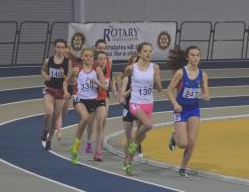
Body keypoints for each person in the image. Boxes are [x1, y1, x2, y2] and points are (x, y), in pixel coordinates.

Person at [117, 42, 162, 175]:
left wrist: (157, 79)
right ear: (139, 53)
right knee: (148, 125)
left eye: (150, 51)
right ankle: (133, 143)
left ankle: (127, 162)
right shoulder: (132, 68)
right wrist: (120, 95)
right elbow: (119, 78)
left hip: (148, 103)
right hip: (135, 103)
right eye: (145, 51)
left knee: (141, 136)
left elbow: (159, 89)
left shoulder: (155, 67)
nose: (148, 53)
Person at [166, 46, 210, 177]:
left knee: (191, 142)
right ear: (187, 57)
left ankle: (182, 168)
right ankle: (174, 137)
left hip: (194, 110)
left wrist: (206, 95)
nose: (196, 57)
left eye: (198, 55)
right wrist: (175, 104)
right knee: (182, 143)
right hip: (181, 110)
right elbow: (168, 90)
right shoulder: (180, 73)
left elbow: (205, 90)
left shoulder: (203, 74)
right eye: (193, 55)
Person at [63, 48, 106, 164]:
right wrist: (66, 92)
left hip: (92, 100)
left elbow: (105, 87)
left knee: (88, 122)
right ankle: (76, 145)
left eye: (91, 56)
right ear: (82, 57)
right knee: (85, 118)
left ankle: (77, 143)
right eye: (86, 56)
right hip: (79, 98)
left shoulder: (97, 70)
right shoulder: (77, 70)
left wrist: (97, 83)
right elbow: (66, 81)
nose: (89, 58)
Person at [40, 39, 72, 150]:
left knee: (55, 118)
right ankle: (45, 129)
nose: (60, 49)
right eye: (58, 47)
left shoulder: (68, 62)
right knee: (49, 113)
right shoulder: (49, 60)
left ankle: (49, 140)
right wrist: (46, 76)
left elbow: (71, 80)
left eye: (62, 47)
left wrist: (63, 75)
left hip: (61, 92)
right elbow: (43, 71)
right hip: (49, 89)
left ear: (65, 48)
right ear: (55, 48)